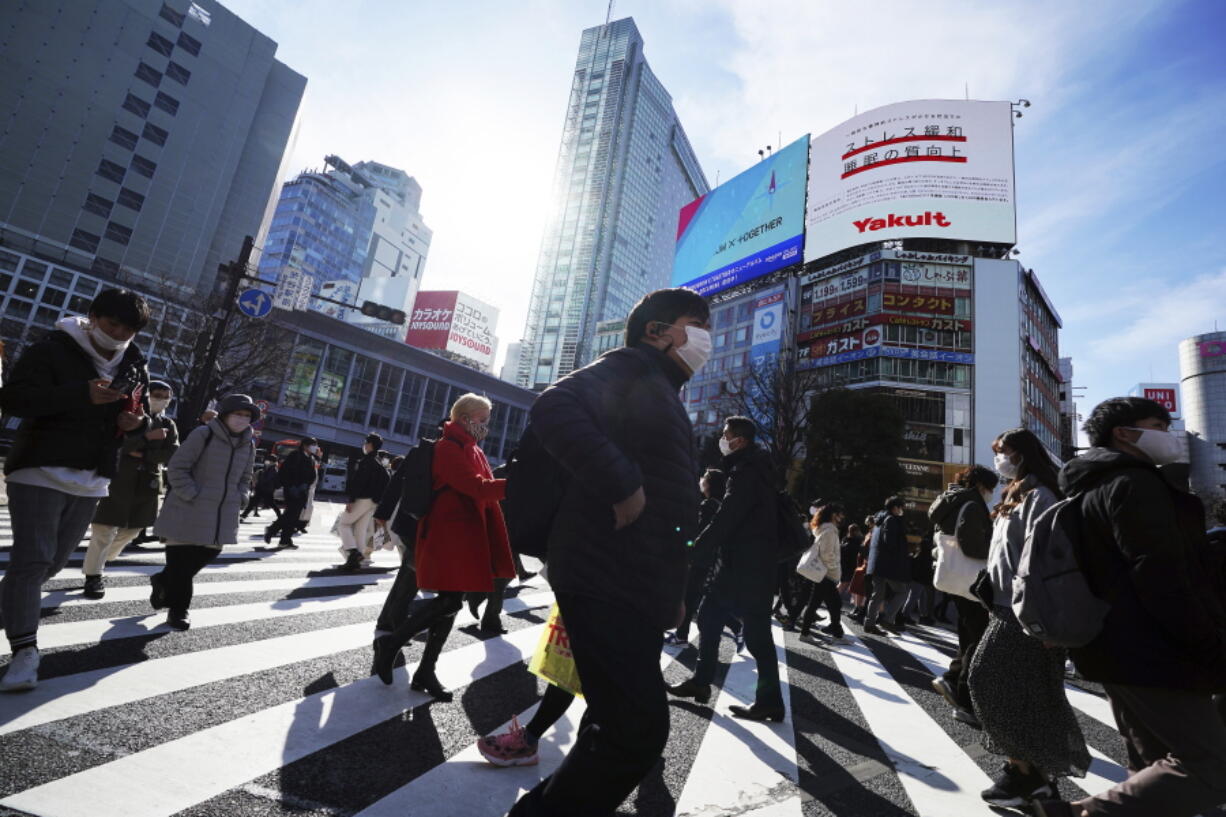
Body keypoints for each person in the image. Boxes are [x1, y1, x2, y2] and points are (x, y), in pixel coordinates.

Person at [506, 288, 708, 817]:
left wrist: (676, 592)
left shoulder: (663, 389)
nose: (705, 339)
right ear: (656, 331)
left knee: (619, 725)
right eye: (695, 324)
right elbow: (554, 406)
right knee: (634, 730)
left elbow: (675, 510)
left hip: (633, 578)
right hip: (604, 569)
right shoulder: (632, 366)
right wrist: (620, 482)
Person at [1031, 398, 1226, 817]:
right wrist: (1209, 643)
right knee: (1212, 768)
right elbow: (1162, 575)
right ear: (1123, 432)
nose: (1169, 434)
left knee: (1150, 763)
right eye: (1158, 424)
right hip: (1157, 649)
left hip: (1109, 646)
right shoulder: (1136, 485)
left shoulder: (1087, 489)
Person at [0, 289, 150, 692]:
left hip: (93, 477)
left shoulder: (135, 362)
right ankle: (25, 653)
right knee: (32, 563)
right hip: (39, 468)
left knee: (50, 565)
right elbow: (13, 398)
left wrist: (135, 421)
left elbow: (142, 411)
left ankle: (14, 607)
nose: (117, 334)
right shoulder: (53, 347)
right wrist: (79, 393)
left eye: (128, 328)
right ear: (93, 317)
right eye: (111, 323)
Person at [966, 428, 1088, 810]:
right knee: (1027, 693)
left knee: (987, 679)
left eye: (1003, 451)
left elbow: (1048, 558)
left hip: (1028, 610)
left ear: (1021, 453)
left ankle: (1028, 773)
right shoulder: (1015, 494)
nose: (998, 459)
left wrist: (1046, 615)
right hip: (1007, 606)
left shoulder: (1041, 495)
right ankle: (1030, 777)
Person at [372, 394, 515, 700]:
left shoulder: (470, 448)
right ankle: (393, 643)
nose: (487, 425)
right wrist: (517, 484)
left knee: (451, 603)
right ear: (465, 418)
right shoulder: (448, 448)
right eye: (483, 419)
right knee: (449, 602)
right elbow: (476, 488)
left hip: (464, 535)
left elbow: (481, 489)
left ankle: (426, 670)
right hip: (447, 535)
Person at [667, 415, 783, 721]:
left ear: (739, 441)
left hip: (745, 565)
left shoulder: (746, 472)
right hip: (749, 564)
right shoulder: (758, 468)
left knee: (754, 634)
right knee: (711, 616)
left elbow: (726, 518)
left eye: (725, 434)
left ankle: (763, 698)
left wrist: (694, 550)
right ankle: (703, 683)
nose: (722, 438)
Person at [147, 394, 257, 630]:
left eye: (247, 416)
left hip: (221, 514)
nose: (242, 419)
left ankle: (162, 580)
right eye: (238, 414)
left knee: (205, 556)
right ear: (226, 414)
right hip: (187, 509)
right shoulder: (204, 434)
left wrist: (242, 496)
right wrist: (192, 494)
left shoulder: (248, 444)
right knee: (181, 564)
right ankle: (179, 610)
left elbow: (246, 477)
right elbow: (177, 466)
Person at [82, 380, 180, 598]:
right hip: (118, 479)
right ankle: (93, 576)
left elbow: (172, 453)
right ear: (146, 394)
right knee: (104, 529)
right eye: (157, 394)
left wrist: (143, 454)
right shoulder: (128, 414)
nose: (161, 399)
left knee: (133, 530)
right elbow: (116, 443)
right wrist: (146, 437)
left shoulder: (168, 424)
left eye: (166, 396)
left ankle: (101, 559)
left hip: (148, 483)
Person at [928, 464, 998, 726]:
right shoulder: (971, 503)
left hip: (954, 577)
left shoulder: (951, 500)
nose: (991, 493)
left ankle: (951, 678)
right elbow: (970, 543)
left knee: (969, 632)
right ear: (981, 485)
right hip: (971, 579)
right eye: (990, 488)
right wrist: (992, 551)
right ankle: (964, 698)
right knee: (977, 637)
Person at [666, 467, 727, 646]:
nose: (702, 481)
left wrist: (687, 548)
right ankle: (681, 634)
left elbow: (698, 532)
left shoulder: (708, 505)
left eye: (705, 478)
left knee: (688, 598)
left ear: (710, 484)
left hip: (698, 559)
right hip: (710, 560)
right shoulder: (721, 505)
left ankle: (681, 635)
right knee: (693, 598)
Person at [338, 433, 390, 571]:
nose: (364, 445)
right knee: (360, 529)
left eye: (366, 443)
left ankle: (353, 553)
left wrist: (351, 500)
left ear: (370, 445)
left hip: (362, 498)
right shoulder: (379, 462)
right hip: (373, 502)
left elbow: (359, 482)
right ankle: (358, 560)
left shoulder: (366, 461)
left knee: (343, 524)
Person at [862, 496, 910, 636]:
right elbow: (890, 543)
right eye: (901, 508)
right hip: (888, 565)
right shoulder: (891, 520)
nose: (902, 511)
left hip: (877, 564)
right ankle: (887, 619)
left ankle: (869, 624)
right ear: (895, 508)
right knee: (903, 591)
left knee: (877, 595)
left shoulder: (879, 521)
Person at [799, 503, 846, 643]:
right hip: (826, 573)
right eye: (840, 513)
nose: (842, 517)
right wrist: (835, 568)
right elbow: (827, 554)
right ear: (833, 515)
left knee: (818, 603)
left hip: (822, 573)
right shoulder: (830, 531)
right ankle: (835, 635)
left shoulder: (823, 529)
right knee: (834, 603)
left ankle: (807, 633)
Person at [265, 437, 317, 549]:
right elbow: (284, 472)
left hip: (302, 492)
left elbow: (312, 476)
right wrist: (291, 486)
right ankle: (272, 530)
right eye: (312, 445)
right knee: (290, 515)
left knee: (293, 516)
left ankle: (285, 540)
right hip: (292, 491)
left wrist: (306, 485)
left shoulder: (311, 458)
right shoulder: (295, 455)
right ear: (305, 445)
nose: (315, 447)